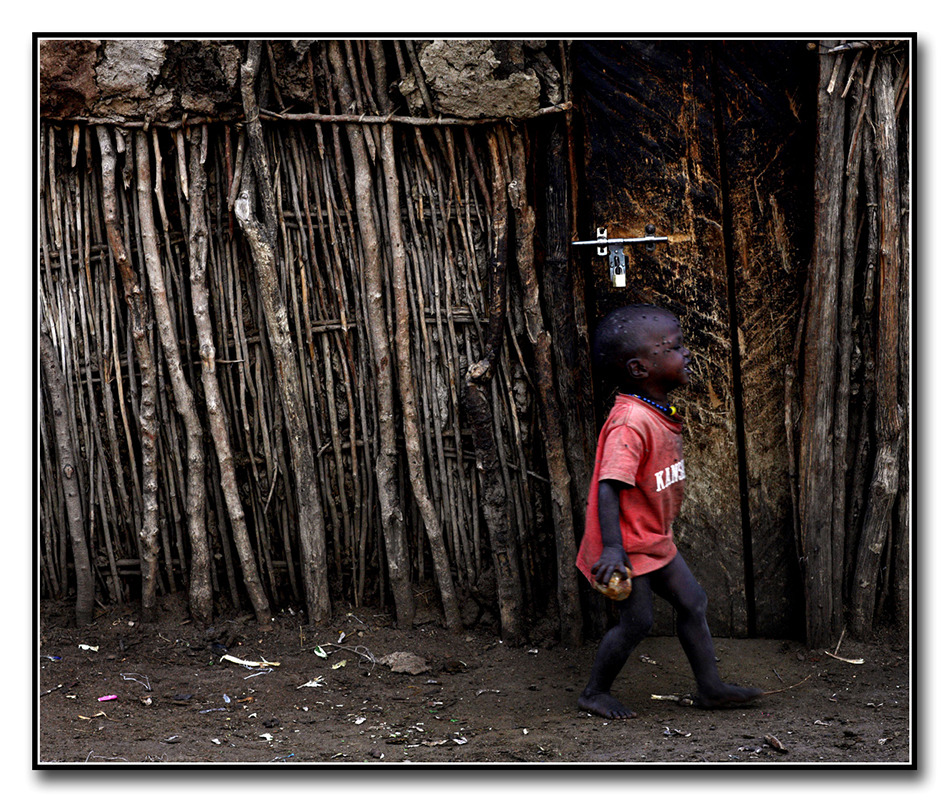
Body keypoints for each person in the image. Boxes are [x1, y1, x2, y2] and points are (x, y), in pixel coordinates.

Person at [575, 303, 763, 719]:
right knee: (637, 622)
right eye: (675, 347)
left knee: (693, 601)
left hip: (653, 539)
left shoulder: (655, 411)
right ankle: (594, 692)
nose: (687, 353)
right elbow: (609, 487)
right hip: (626, 545)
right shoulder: (630, 422)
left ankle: (710, 688)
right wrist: (611, 549)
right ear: (640, 369)